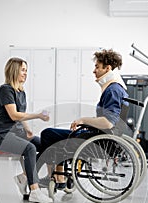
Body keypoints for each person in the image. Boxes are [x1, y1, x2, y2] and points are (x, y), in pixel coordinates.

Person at [39, 48, 129, 188]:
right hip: (99, 138)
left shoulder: (113, 90)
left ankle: (57, 177)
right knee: (54, 135)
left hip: (96, 141)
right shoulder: (118, 89)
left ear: (108, 68)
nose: (94, 71)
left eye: (97, 67)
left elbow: (108, 122)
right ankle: (58, 177)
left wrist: (83, 120)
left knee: (47, 134)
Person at [0, 57, 53, 203]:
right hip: (2, 136)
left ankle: (24, 176)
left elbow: (21, 115)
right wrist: (38, 115)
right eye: (23, 70)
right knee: (30, 148)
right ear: (14, 71)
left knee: (46, 144)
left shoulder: (21, 91)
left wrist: (28, 130)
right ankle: (35, 191)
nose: (26, 73)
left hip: (17, 132)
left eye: (26, 70)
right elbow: (14, 115)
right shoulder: (5, 90)